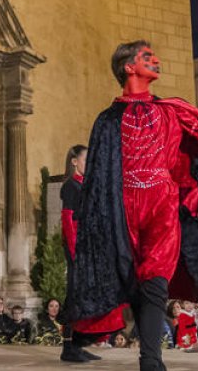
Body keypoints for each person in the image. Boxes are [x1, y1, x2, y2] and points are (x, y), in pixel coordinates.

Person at [69, 41, 198, 371]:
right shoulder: (107, 120)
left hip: (162, 204)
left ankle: (151, 362)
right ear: (129, 67)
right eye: (146, 57)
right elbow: (99, 178)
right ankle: (79, 341)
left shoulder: (171, 110)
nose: (156, 59)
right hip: (122, 209)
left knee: (155, 278)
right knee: (127, 281)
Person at [59, 143, 116, 362]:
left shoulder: (85, 186)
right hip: (78, 250)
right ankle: (69, 348)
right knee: (75, 296)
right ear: (74, 161)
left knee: (84, 297)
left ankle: (79, 343)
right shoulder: (70, 186)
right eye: (86, 159)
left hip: (90, 249)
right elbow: (68, 221)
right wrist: (76, 254)